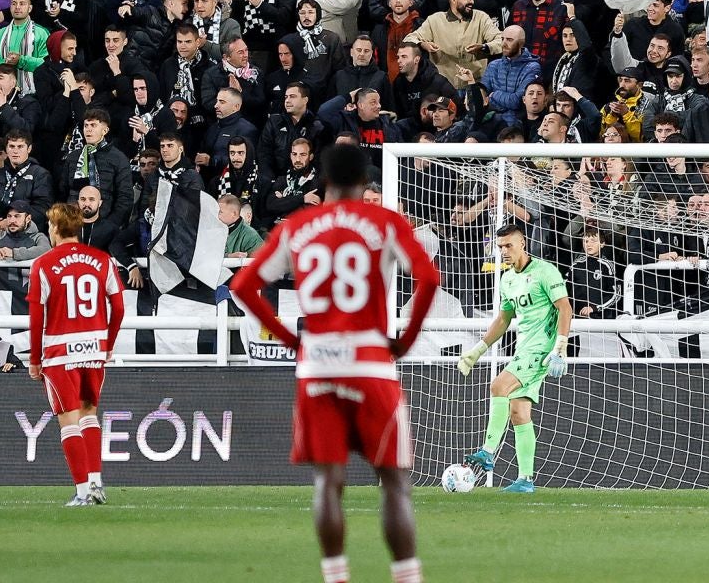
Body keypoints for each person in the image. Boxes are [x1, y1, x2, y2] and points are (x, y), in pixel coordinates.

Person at [228, 144, 442, 583]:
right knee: (395, 482)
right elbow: (430, 277)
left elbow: (244, 286)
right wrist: (405, 340)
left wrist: (292, 339)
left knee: (328, 481)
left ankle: (335, 576)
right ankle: (407, 575)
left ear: (322, 181)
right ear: (365, 182)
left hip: (318, 363)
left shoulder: (298, 226)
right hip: (370, 360)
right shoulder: (383, 222)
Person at [456, 219, 573, 494]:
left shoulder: (545, 271)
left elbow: (565, 309)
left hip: (542, 350)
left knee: (498, 385)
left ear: (523, 243)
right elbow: (504, 319)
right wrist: (477, 351)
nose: (505, 251)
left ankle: (487, 451)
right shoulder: (507, 279)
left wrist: (560, 348)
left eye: (509, 245)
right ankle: (525, 480)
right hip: (524, 348)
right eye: (500, 247)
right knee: (519, 412)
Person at [26, 201, 125, 506]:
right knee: (89, 415)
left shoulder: (42, 265)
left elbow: (36, 318)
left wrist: (34, 359)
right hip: (94, 348)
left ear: (55, 228)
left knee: (68, 421)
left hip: (59, 351)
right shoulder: (103, 260)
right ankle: (96, 484)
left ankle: (83, 491)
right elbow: (119, 308)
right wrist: (107, 344)